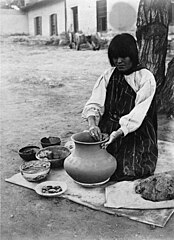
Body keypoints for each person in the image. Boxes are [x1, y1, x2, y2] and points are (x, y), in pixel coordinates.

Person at [82, 33, 158, 181]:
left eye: (124, 57)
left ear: (133, 56)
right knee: (90, 161)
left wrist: (119, 132)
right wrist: (92, 125)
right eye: (115, 57)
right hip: (109, 126)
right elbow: (95, 102)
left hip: (135, 129)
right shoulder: (108, 74)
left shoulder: (145, 77)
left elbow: (138, 113)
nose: (119, 61)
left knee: (126, 170)